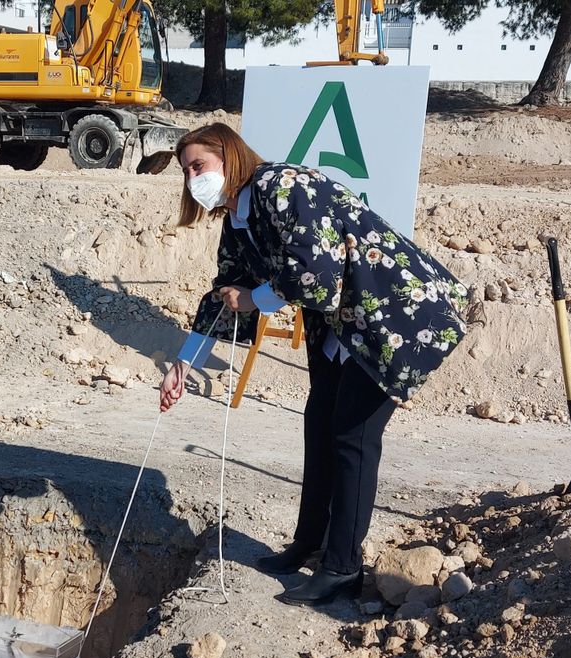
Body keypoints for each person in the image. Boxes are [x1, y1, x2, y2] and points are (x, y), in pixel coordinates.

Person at [158, 123, 470, 607]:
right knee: (320, 423)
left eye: (199, 165)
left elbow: (315, 275)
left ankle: (343, 567)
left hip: (395, 314)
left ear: (229, 154)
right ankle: (310, 542)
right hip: (344, 325)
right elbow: (226, 291)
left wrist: (256, 297)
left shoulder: (279, 187)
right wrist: (183, 364)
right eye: (187, 171)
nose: (193, 178)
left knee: (353, 435)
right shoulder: (240, 217)